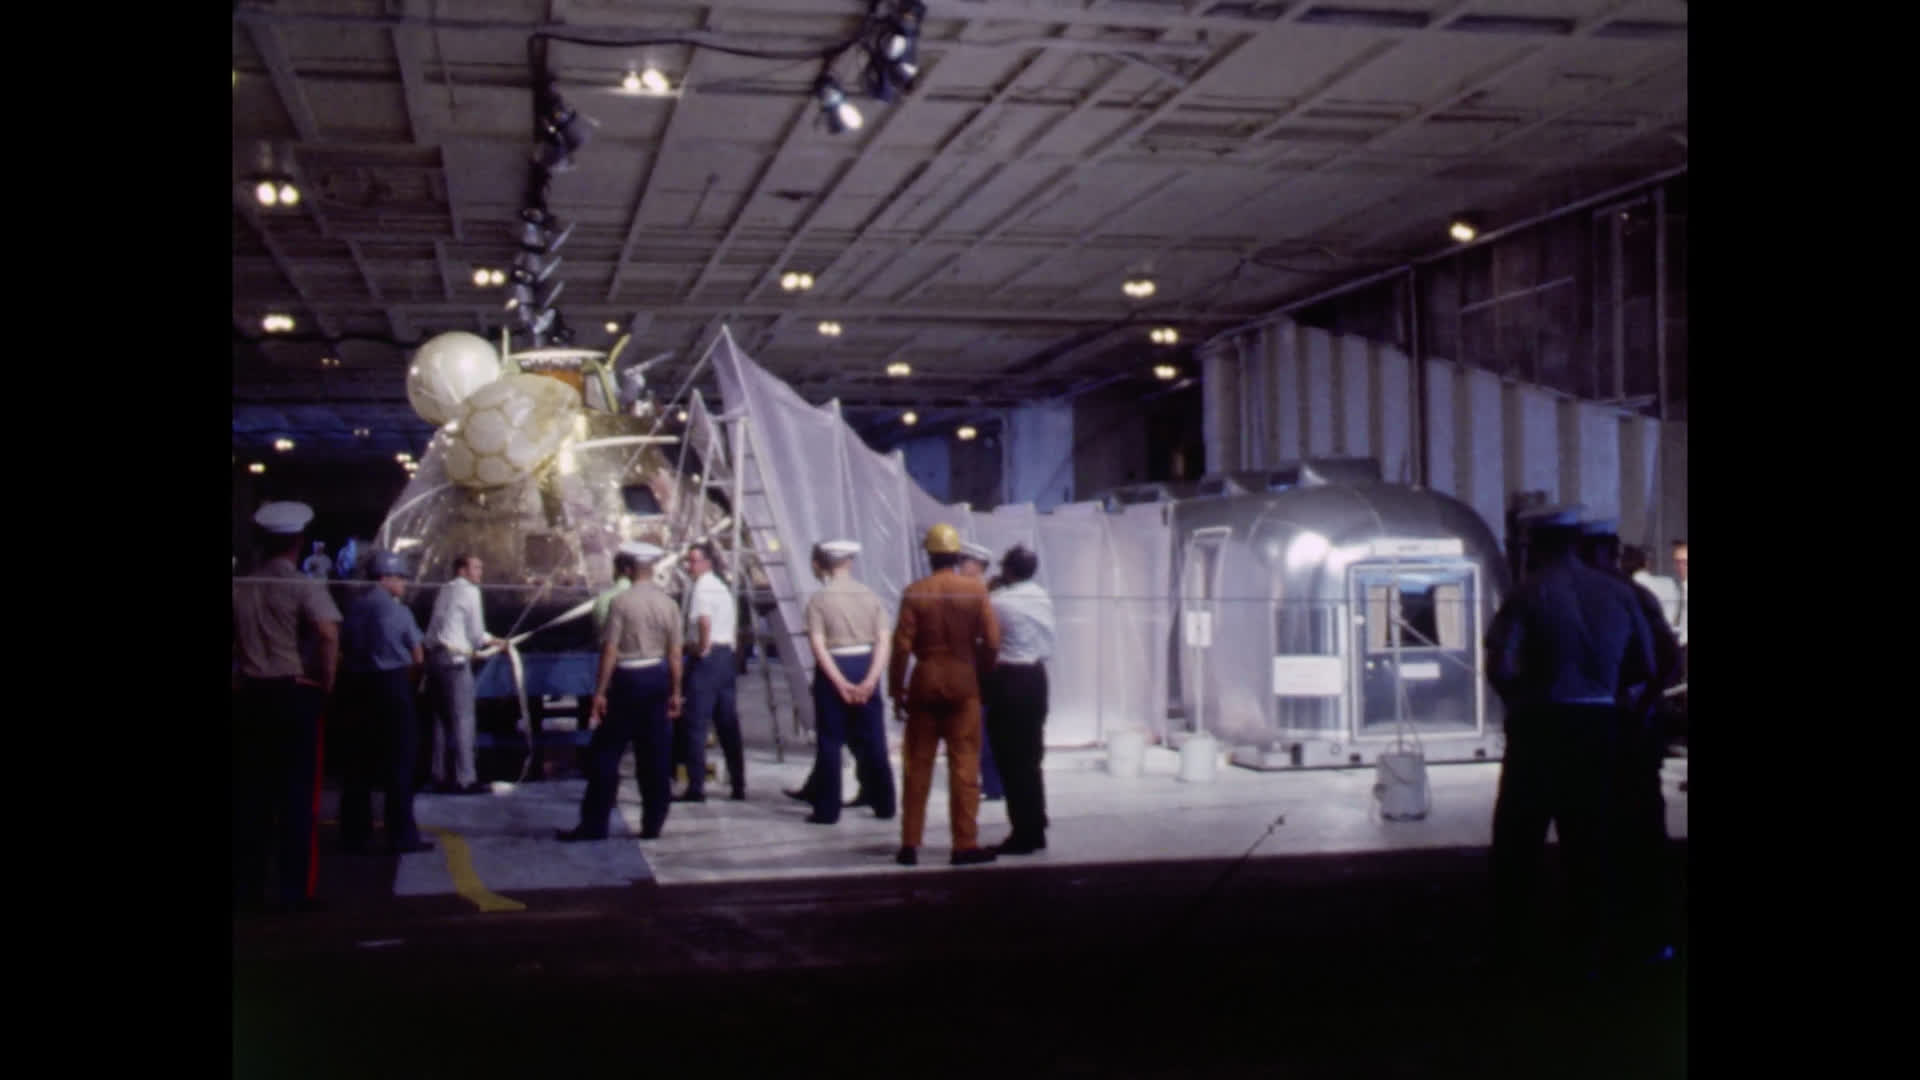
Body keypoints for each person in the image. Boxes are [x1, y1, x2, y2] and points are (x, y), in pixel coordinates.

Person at [1484, 507, 1660, 978]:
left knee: (1520, 838)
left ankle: (1511, 948)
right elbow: (1645, 665)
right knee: (1590, 838)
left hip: (1541, 721)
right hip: (1598, 722)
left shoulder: (1527, 593)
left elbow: (1501, 666)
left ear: (1537, 545)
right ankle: (1587, 948)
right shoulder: (1618, 593)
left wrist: (1518, 705)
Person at [232, 501, 342, 913]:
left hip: (248, 697)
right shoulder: (302, 584)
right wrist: (325, 684)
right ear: (298, 541)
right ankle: (295, 893)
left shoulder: (240, 584)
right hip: (293, 694)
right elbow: (328, 634)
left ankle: (247, 890)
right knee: (298, 799)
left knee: (249, 799)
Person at [888, 524, 1001, 867]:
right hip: (963, 681)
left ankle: (909, 843)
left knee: (917, 766)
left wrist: (897, 689)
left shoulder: (914, 592)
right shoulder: (976, 591)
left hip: (925, 682)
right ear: (957, 556)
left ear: (929, 555)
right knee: (965, 766)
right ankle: (964, 844)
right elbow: (993, 642)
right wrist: (979, 670)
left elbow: (901, 647)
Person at [559, 542, 684, 842]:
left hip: (627, 680)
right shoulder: (669, 604)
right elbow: (676, 655)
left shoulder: (621, 603)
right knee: (654, 756)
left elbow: (610, 651)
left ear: (628, 570)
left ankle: (594, 824)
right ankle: (653, 823)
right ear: (652, 570)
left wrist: (600, 692)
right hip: (656, 677)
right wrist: (676, 692)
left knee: (606, 754)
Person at [337, 551, 432, 856]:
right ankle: (402, 835)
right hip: (392, 686)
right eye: (400, 577)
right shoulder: (399, 612)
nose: (404, 583)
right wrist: (412, 687)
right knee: (400, 763)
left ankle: (354, 834)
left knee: (357, 765)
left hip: (356, 687)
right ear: (385, 578)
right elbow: (418, 656)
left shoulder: (352, 609)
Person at [801, 540, 897, 825]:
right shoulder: (870, 596)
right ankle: (885, 803)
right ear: (850, 563)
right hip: (866, 664)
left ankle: (827, 810)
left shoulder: (819, 600)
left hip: (834, 667)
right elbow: (883, 641)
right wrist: (870, 679)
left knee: (830, 742)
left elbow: (818, 645)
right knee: (874, 740)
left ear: (825, 564)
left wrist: (840, 683)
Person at [984, 545, 1056, 855]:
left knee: (1011, 759)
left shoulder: (999, 602)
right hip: (1037, 678)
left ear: (1008, 570)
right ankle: (1036, 823)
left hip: (1010, 679)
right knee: (1031, 756)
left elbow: (986, 636)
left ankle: (1023, 833)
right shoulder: (1041, 595)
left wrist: (990, 589)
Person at [423, 554, 502, 795]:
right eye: (476, 567)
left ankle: (437, 775)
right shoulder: (470, 591)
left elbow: (438, 626)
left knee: (439, 721)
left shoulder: (444, 589)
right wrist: (496, 642)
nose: (480, 573)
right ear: (462, 571)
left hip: (435, 657)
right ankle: (465, 779)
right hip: (455, 660)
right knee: (463, 719)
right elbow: (477, 635)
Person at [677, 542, 745, 801]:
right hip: (726, 658)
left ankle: (696, 787)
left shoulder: (702, 589)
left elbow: (704, 621)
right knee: (727, 722)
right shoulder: (721, 587)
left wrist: (701, 648)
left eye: (693, 561)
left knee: (695, 723)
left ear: (706, 563)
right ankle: (738, 783)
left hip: (708, 659)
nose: (689, 566)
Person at [958, 541, 1006, 803]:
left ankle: (992, 782)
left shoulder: (986, 595)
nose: (960, 567)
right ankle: (986, 781)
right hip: (970, 666)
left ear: (977, 566)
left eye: (964, 562)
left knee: (984, 726)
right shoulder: (969, 592)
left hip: (983, 668)